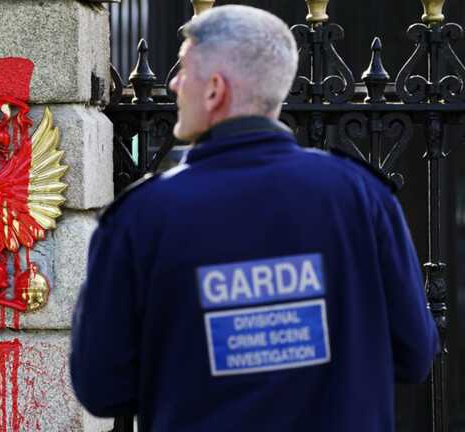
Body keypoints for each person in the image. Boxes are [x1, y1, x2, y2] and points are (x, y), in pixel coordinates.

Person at [70, 5, 439, 432]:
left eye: (184, 69)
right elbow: (414, 355)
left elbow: (100, 387)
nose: (172, 83)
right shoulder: (362, 197)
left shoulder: (141, 216)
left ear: (214, 89)